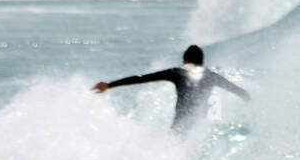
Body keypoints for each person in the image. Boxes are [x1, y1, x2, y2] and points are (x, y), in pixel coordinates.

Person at [92, 44, 250, 131]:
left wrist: (109, 85)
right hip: (200, 128)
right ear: (202, 61)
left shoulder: (177, 73)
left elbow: (141, 79)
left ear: (186, 59)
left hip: (180, 125)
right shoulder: (211, 76)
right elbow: (240, 92)